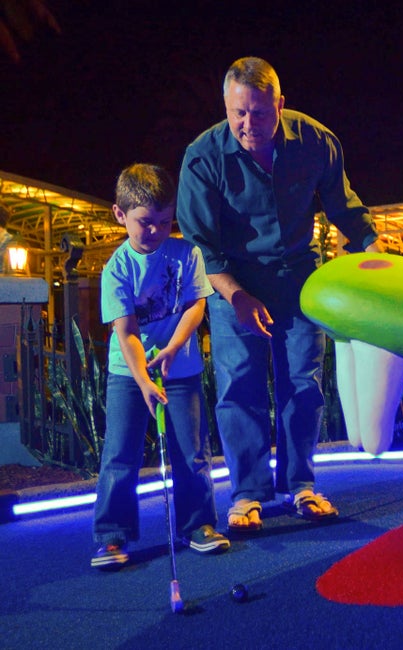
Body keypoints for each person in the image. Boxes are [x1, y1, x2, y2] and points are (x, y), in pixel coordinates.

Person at [176, 57, 382, 532]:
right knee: (239, 384)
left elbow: (345, 209)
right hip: (234, 284)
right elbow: (201, 246)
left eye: (260, 113)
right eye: (238, 113)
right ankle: (247, 493)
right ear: (226, 106)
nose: (249, 125)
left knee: (303, 384)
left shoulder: (316, 141)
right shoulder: (202, 157)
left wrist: (375, 248)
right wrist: (238, 297)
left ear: (280, 105)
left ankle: (301, 486)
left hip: (299, 276)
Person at [92, 163, 228, 569]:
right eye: (144, 223)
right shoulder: (116, 267)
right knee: (120, 453)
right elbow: (127, 330)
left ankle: (199, 525)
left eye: (164, 222)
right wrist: (143, 380)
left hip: (180, 369)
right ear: (121, 215)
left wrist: (172, 348)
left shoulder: (187, 253)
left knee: (192, 451)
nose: (154, 231)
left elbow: (195, 305)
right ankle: (112, 536)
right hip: (128, 373)